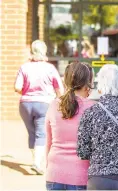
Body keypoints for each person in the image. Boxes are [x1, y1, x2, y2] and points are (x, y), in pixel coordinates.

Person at [14, 40, 64, 175]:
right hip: (44, 103)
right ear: (45, 51)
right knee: (41, 133)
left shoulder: (24, 67)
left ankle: (35, 160)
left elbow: (17, 87)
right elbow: (60, 88)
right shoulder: (50, 68)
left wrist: (28, 91)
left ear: (32, 51)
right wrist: (61, 100)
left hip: (25, 105)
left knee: (32, 133)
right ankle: (37, 163)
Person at [45, 62, 95, 190]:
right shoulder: (93, 108)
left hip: (54, 174)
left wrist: (48, 167)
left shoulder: (54, 105)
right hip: (81, 176)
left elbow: (48, 142)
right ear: (88, 83)